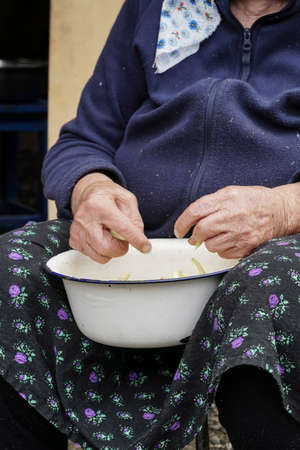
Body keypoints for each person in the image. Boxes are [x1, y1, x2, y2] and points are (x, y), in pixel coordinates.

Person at [1, 0, 300, 448]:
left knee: (270, 291)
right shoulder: (157, 6)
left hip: (273, 255)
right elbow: (82, 139)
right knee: (12, 268)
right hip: (136, 256)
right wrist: (90, 190)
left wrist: (281, 209)